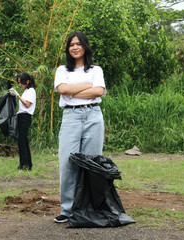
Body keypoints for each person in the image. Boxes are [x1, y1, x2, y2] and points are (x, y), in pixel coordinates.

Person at [53, 31, 106, 223]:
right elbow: (63, 90)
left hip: (93, 115)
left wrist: (72, 93)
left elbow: (99, 91)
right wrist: (86, 86)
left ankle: (91, 207)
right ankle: (67, 209)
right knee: (68, 163)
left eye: (78, 44)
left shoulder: (96, 69)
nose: (75, 47)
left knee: (93, 162)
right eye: (71, 44)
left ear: (85, 46)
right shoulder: (62, 70)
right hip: (71, 117)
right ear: (68, 48)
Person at [9, 73, 36, 171]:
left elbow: (27, 104)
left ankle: (23, 164)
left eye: (21, 83)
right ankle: (27, 164)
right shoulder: (26, 91)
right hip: (21, 116)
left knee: (22, 141)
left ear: (27, 81)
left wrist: (18, 95)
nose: (20, 85)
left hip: (26, 116)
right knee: (23, 141)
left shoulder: (31, 91)